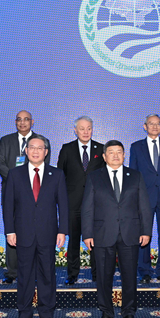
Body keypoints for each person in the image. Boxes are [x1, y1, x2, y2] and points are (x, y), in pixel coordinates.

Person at [82, 140, 152, 318]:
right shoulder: (94, 177)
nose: (115, 155)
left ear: (124, 155)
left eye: (119, 152)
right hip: (103, 233)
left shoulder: (135, 176)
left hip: (130, 233)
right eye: (111, 152)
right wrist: (87, 234)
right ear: (104, 157)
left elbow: (144, 206)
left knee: (129, 276)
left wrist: (146, 231)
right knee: (104, 276)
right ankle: (106, 312)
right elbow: (87, 208)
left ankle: (129, 312)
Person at [3, 135, 68, 318]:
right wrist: (10, 230)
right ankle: (24, 315)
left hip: (48, 233)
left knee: (47, 274)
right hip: (23, 233)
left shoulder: (57, 174)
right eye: (32, 147)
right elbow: (8, 205)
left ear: (46, 152)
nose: (36, 151)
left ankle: (47, 315)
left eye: (40, 148)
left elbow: (63, 205)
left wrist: (62, 231)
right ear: (26, 151)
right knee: (24, 275)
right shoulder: (15, 174)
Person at [0, 110, 49, 283]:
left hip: (35, 195)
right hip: (10, 193)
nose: (22, 122)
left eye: (26, 119)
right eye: (19, 119)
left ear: (32, 122)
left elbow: (43, 166)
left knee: (35, 230)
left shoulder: (42, 141)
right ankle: (12, 271)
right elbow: (0, 163)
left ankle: (35, 269)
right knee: (12, 230)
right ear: (15, 122)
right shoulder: (6, 140)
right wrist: (16, 181)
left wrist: (25, 182)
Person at [129, 114, 160, 284]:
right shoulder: (136, 147)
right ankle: (144, 271)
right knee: (144, 234)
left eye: (158, 124)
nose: (155, 127)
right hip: (144, 197)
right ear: (145, 126)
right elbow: (133, 173)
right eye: (151, 124)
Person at [58, 116, 105, 284]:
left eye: (89, 128)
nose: (86, 132)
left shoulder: (101, 148)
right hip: (73, 203)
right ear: (75, 130)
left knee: (96, 241)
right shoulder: (67, 149)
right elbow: (60, 175)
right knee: (73, 240)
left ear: (92, 130)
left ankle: (97, 274)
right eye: (82, 128)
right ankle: (72, 274)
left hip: (96, 204)